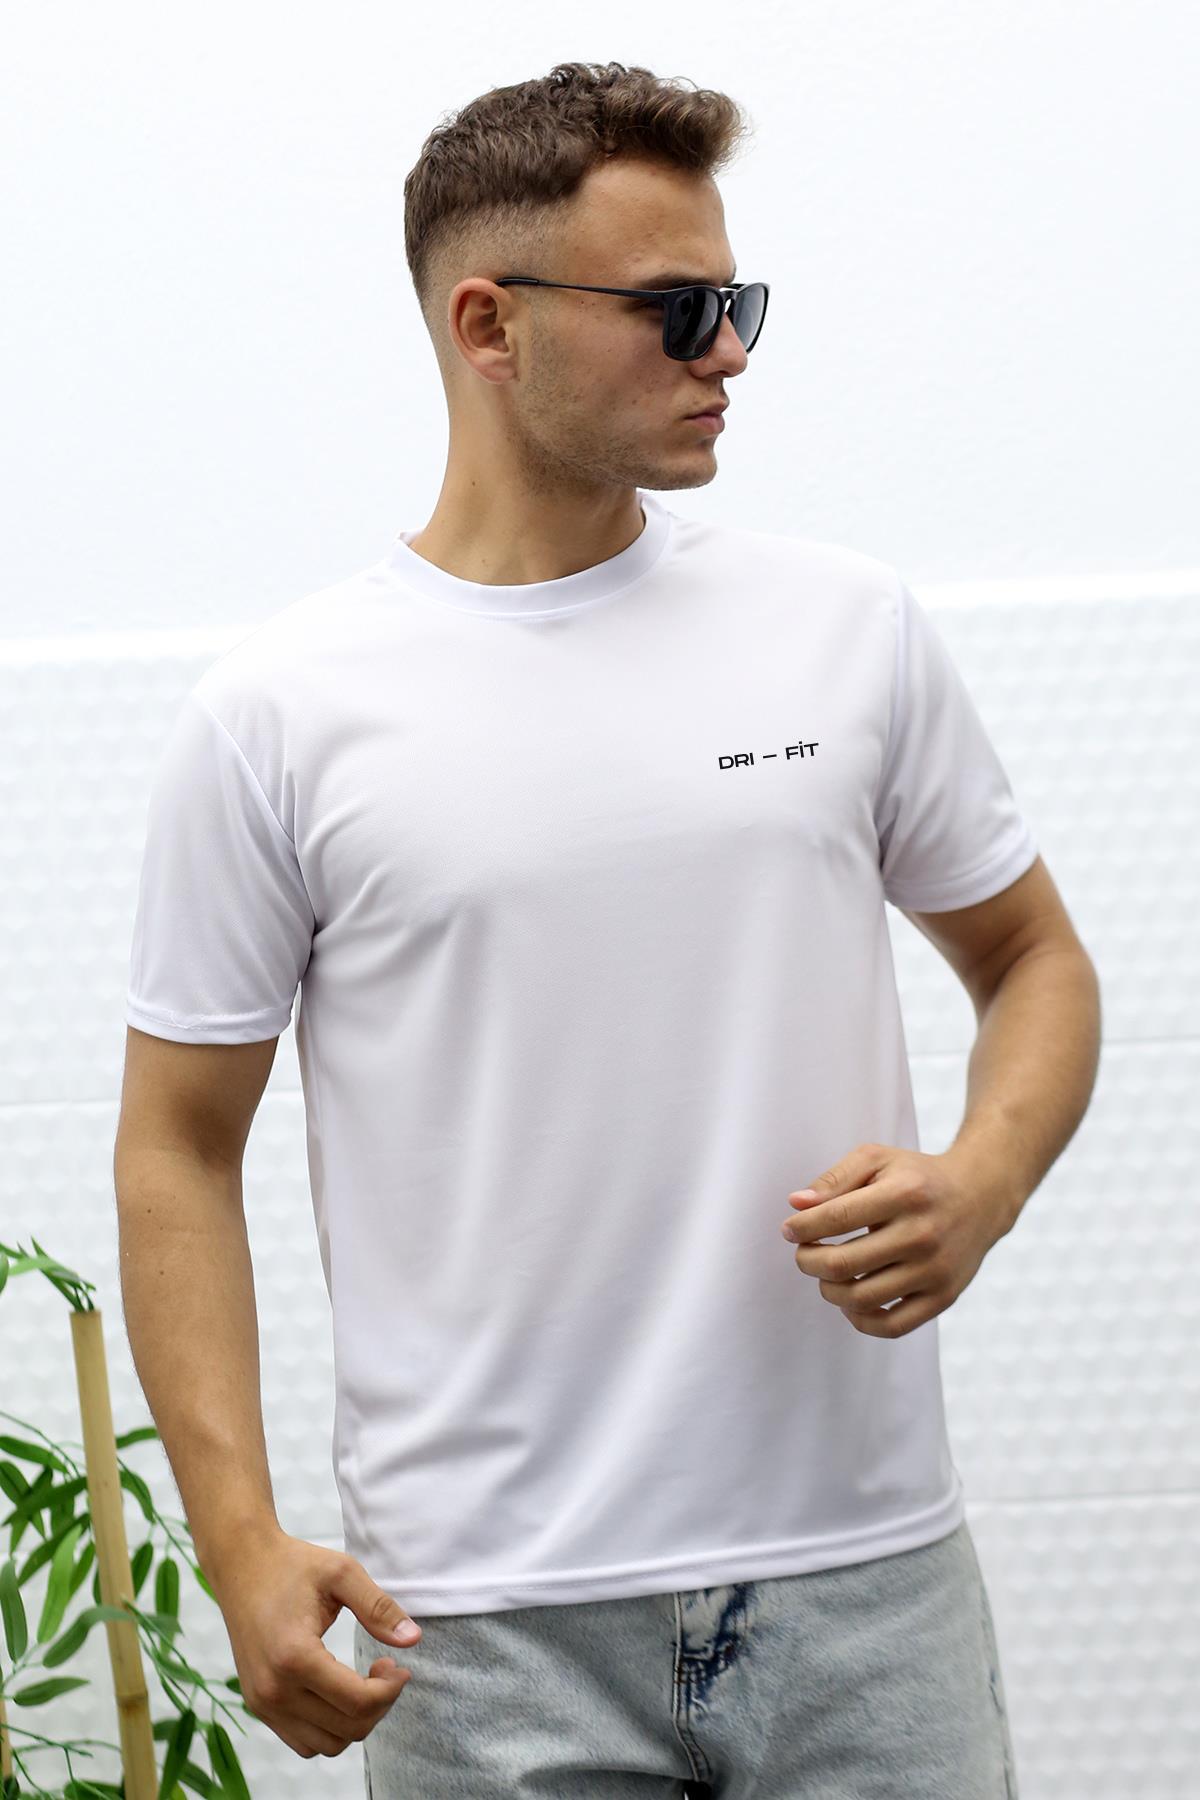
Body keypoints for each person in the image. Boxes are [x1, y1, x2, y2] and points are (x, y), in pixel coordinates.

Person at [118, 57, 1091, 1799]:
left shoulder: (848, 631)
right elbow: (176, 1148)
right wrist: (238, 1539)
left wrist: (985, 1179)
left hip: (864, 1589)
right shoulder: (280, 715)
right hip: (484, 1630)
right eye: (677, 309)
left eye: (739, 303)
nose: (730, 352)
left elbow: (1034, 961)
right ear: (488, 326)